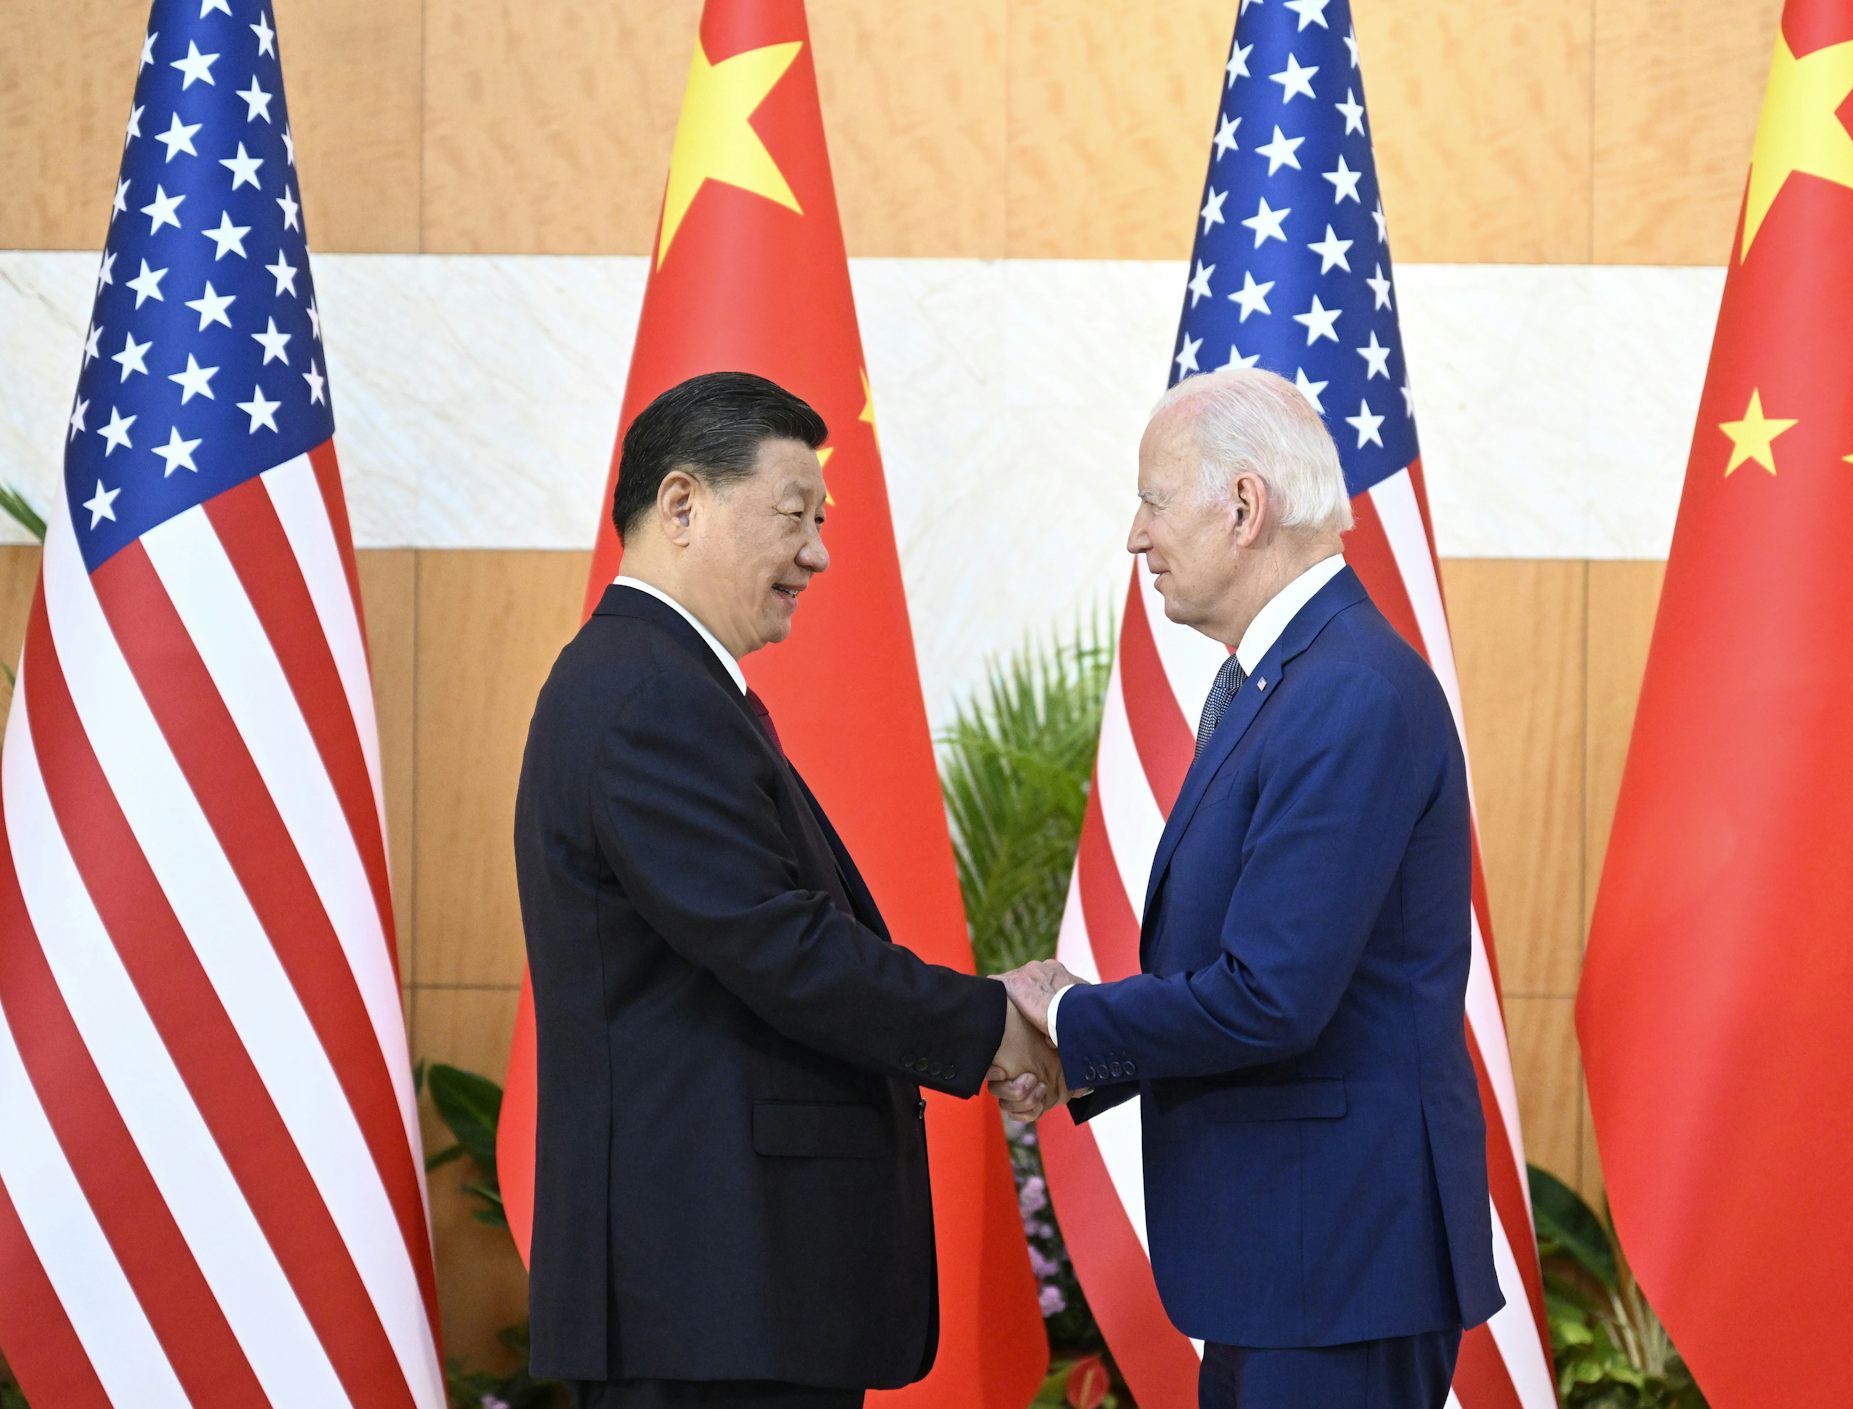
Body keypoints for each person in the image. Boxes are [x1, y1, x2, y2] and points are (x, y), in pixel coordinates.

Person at [514, 370, 1060, 1409]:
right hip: (709, 1287)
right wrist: (994, 1020)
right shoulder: (644, 697)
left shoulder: (663, 682)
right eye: (793, 514)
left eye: (822, 519)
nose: (816, 551)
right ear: (683, 504)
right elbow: (782, 946)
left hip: (732, 1291)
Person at [999, 368, 1503, 1409]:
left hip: (1335, 1263)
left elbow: (1273, 992)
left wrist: (1072, 1017)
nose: (1136, 537)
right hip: (1293, 1259)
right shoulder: (1294, 680)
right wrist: (1080, 1045)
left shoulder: (1346, 691)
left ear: (1243, 505)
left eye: (1151, 499)